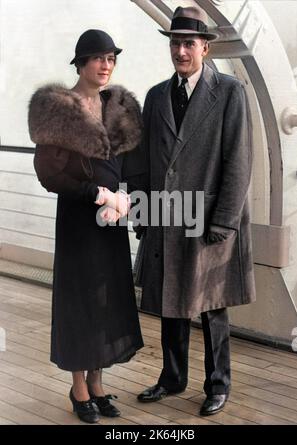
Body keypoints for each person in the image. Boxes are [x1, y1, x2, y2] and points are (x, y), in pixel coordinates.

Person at [136, 6, 256, 416]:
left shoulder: (229, 93)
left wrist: (224, 220)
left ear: (205, 47)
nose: (181, 51)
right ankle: (172, 378)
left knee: (211, 305)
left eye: (189, 43)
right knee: (172, 300)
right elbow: (140, 161)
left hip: (209, 219)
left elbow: (238, 161)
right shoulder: (155, 96)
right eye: (175, 43)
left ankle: (218, 384)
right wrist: (142, 214)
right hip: (167, 216)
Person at [28, 29, 145, 423]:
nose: (106, 65)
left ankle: (97, 384)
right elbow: (49, 173)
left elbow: (131, 162)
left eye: (111, 58)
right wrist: (97, 194)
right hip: (80, 218)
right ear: (80, 63)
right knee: (79, 300)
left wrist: (125, 197)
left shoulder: (119, 106)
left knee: (105, 299)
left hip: (111, 222)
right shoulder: (59, 108)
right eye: (98, 58)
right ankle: (78, 388)